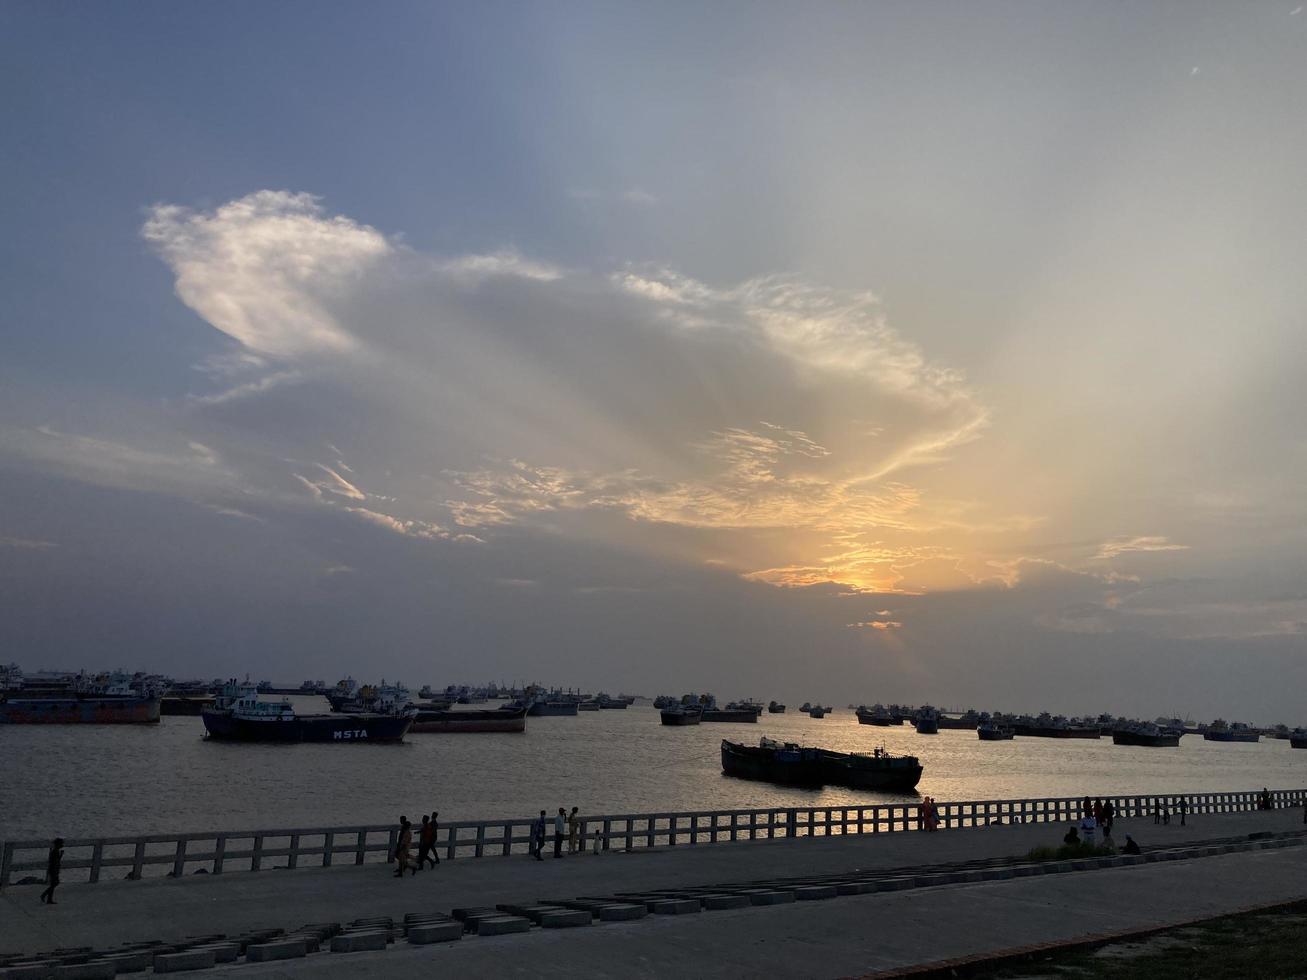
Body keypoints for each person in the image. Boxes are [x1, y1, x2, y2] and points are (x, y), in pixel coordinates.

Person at [39, 838, 63, 905]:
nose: (62, 845)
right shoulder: (55, 852)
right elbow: (55, 862)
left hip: (53, 869)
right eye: (61, 844)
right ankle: (44, 895)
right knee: (55, 883)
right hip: (54, 870)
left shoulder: (55, 851)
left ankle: (49, 899)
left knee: (53, 884)